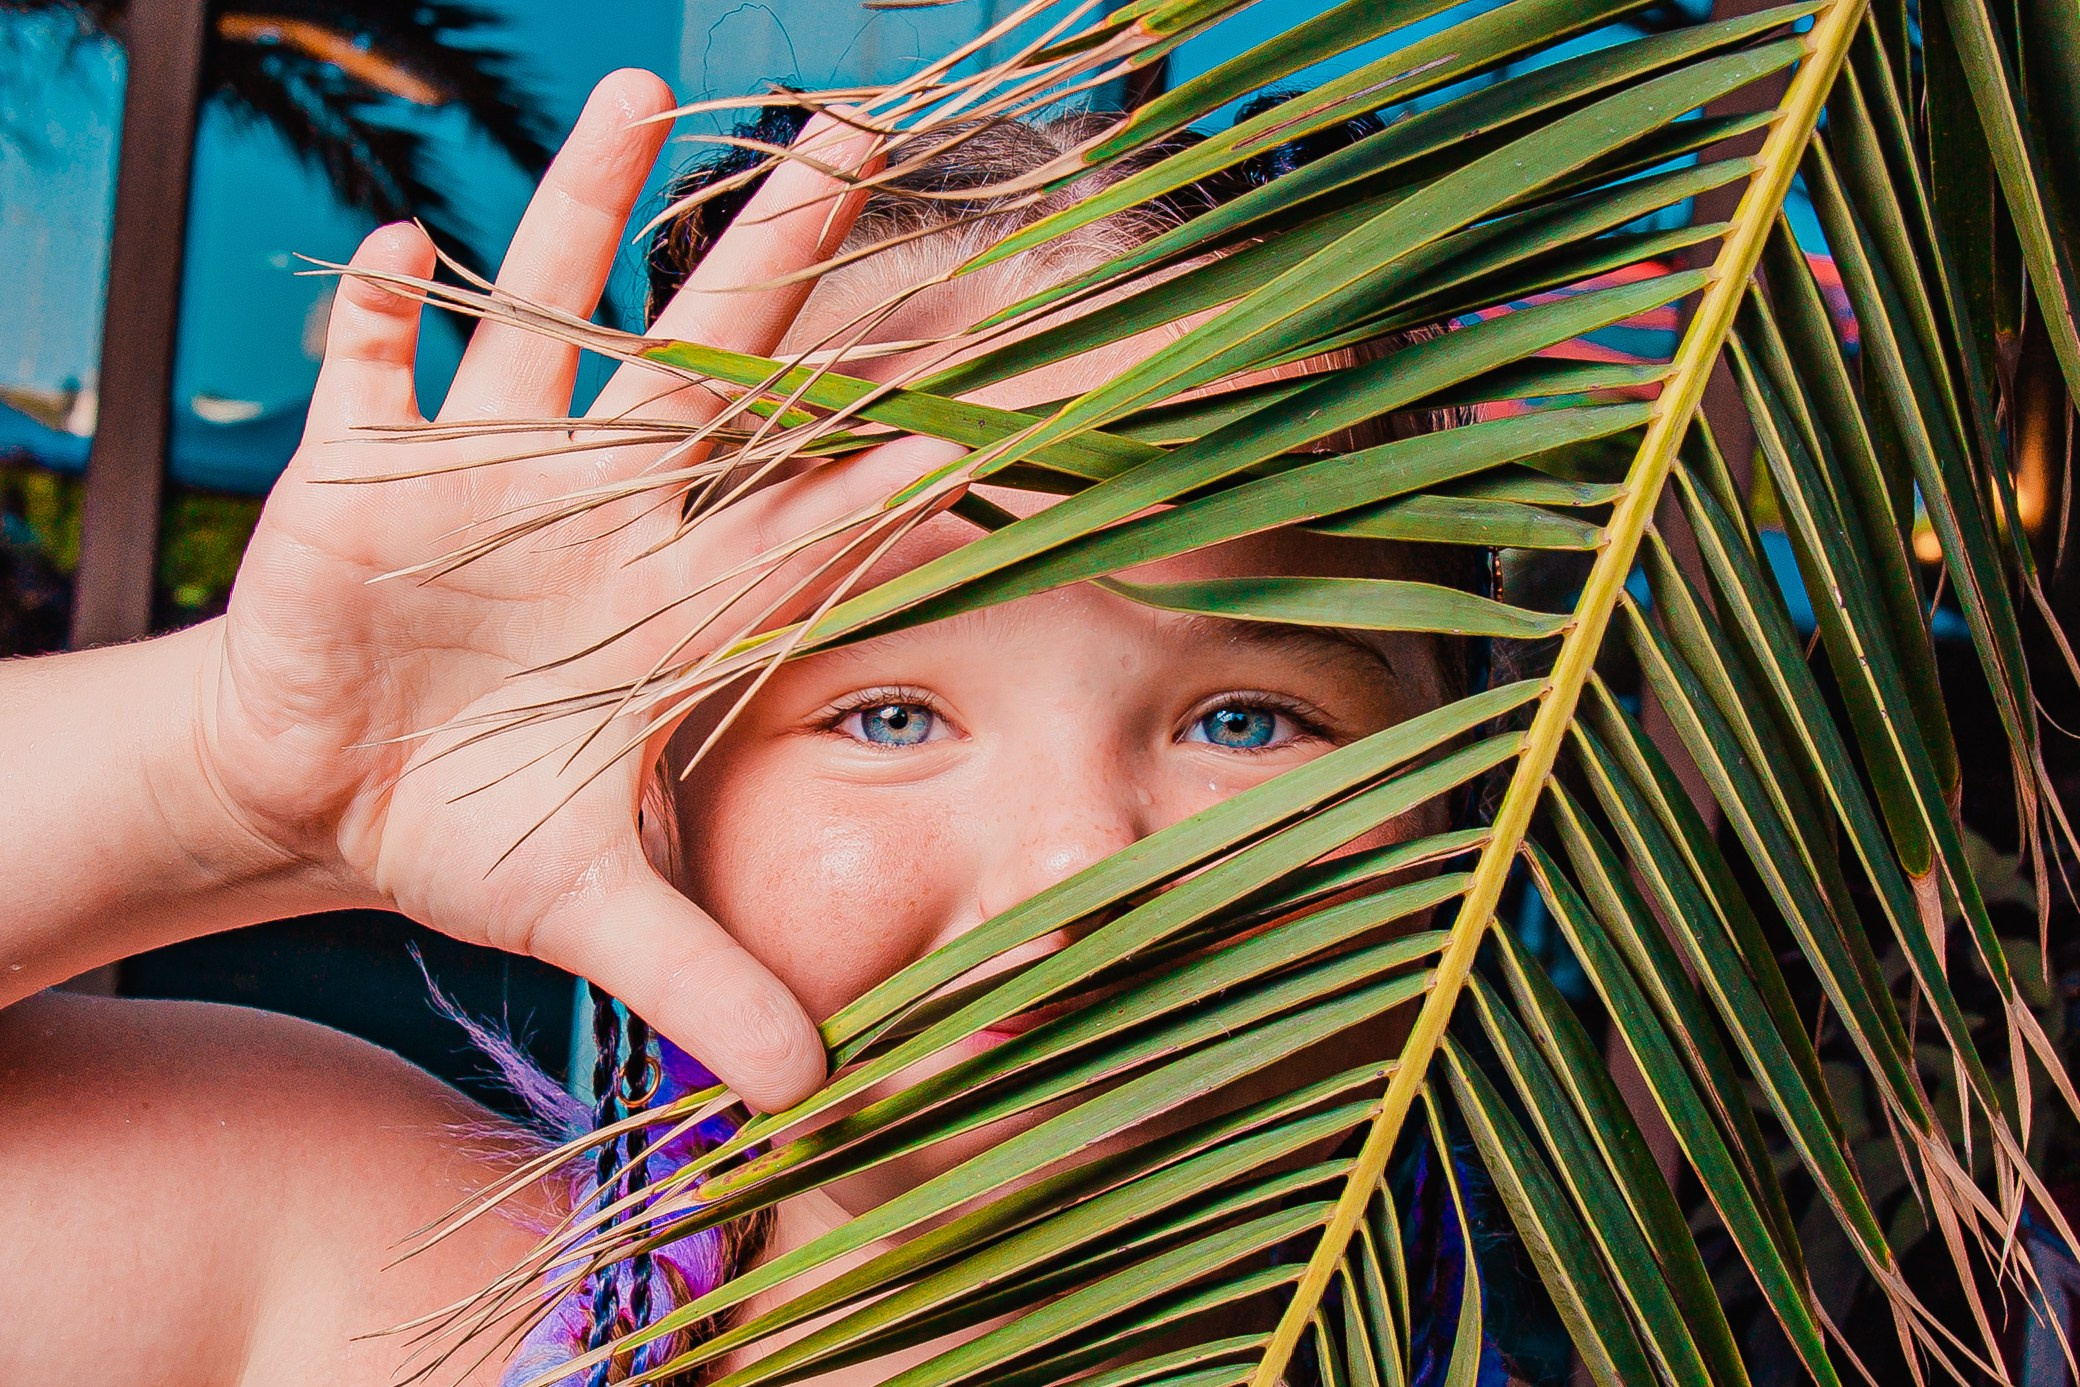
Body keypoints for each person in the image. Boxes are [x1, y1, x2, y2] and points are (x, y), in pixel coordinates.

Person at [0, 68, 1467, 1387]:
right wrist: (239, 778)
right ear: (658, 794)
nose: (1077, 866)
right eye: (889, 713)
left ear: (1466, 793)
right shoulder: (350, 1286)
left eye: (1248, 721)